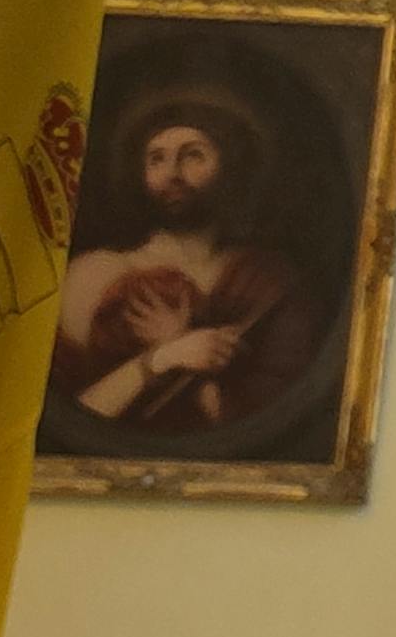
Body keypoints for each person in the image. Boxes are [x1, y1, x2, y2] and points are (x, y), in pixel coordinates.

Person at [50, 83, 333, 452]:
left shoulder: (269, 280)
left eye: (192, 155)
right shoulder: (94, 274)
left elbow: (265, 423)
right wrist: (165, 356)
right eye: (156, 159)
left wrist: (191, 353)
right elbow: (69, 419)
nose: (172, 173)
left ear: (229, 166)